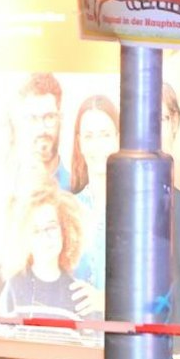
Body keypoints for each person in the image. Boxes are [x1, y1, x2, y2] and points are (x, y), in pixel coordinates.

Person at [0, 187, 101, 323]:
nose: (45, 237)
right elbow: (3, 340)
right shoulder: (14, 287)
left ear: (65, 230)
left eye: (51, 227)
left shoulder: (78, 295)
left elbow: (87, 341)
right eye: (35, 231)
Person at [67, 94, 119, 309]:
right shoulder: (69, 210)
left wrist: (106, 300)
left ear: (119, 137)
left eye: (105, 135)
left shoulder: (138, 209)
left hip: (124, 336)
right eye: (89, 136)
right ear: (79, 142)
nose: (98, 146)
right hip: (75, 335)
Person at [11, 72, 70, 192]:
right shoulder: (7, 189)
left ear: (61, 120)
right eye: (33, 119)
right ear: (20, 123)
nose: (41, 129)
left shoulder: (76, 193)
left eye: (49, 117)